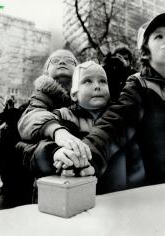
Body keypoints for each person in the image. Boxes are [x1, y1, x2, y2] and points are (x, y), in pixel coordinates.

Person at [63, 13, 165, 188]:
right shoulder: (139, 86)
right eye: (159, 37)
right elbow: (114, 125)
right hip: (157, 193)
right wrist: (86, 156)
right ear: (145, 52)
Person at [27, 61, 126, 194]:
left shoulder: (118, 115)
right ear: (74, 94)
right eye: (87, 81)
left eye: (103, 81)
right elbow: (36, 144)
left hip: (113, 196)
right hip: (69, 195)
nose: (97, 86)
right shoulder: (62, 116)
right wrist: (55, 151)